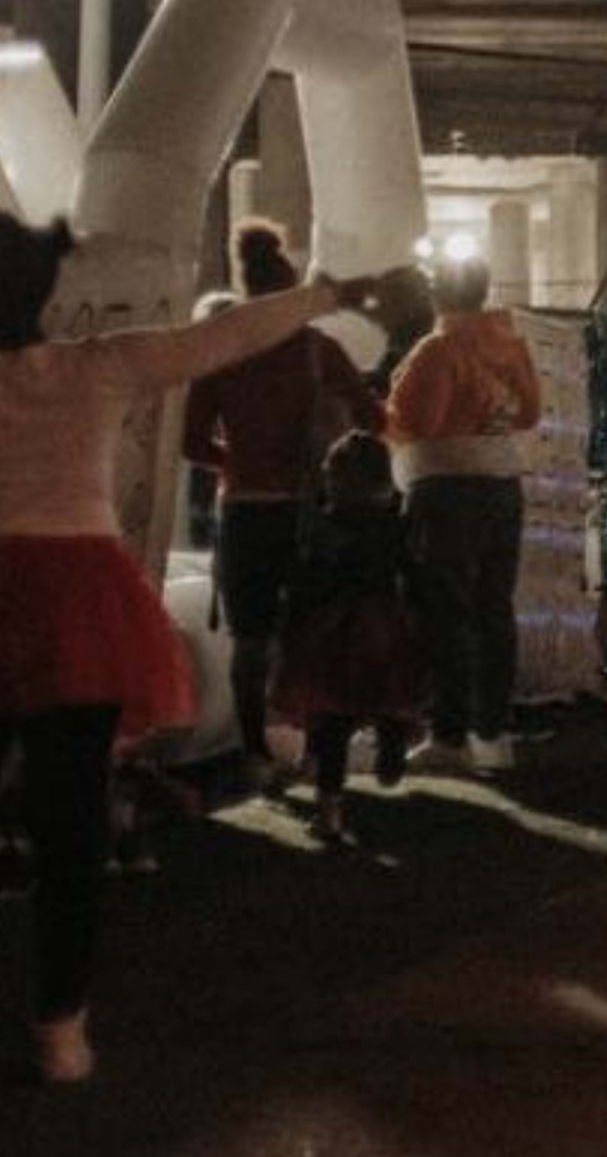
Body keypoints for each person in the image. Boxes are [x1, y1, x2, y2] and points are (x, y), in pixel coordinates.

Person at [0, 211, 391, 1084]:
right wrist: (335, 294)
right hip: (84, 604)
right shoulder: (101, 366)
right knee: (71, 822)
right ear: (46, 297)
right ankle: (60, 1032)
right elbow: (223, 334)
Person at [179, 219, 382, 783]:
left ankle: (254, 752)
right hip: (312, 509)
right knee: (314, 633)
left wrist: (234, 461)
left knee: (250, 638)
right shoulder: (321, 351)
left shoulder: (222, 355)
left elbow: (189, 440)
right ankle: (318, 752)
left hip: (245, 508)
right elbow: (374, 420)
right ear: (292, 291)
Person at [382, 255, 545, 777]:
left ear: (438, 296)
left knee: (445, 611)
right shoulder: (510, 343)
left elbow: (418, 422)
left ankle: (448, 733)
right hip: (501, 483)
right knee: (494, 610)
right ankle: (493, 733)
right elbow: (529, 413)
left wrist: (377, 412)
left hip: (445, 488)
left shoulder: (438, 349)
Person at [273, 430, 431, 848]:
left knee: (332, 722)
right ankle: (393, 740)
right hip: (384, 625)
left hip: (332, 632)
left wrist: (290, 620)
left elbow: (306, 578)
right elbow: (415, 576)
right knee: (387, 696)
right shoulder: (397, 526)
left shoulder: (324, 526)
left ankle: (329, 811)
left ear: (336, 480)